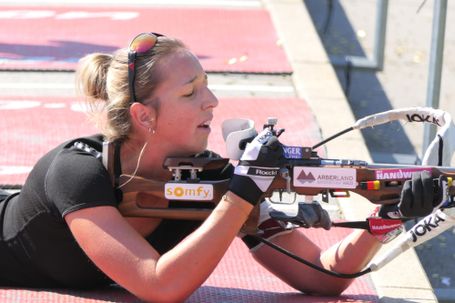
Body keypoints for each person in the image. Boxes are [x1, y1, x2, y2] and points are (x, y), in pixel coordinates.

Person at [0, 32, 442, 303]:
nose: (211, 101)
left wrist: (385, 219)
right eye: (190, 92)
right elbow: (159, 286)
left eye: (207, 87)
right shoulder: (76, 171)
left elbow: (321, 277)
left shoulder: (210, 178)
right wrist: (243, 195)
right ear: (144, 116)